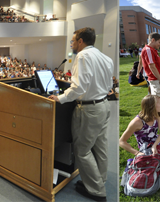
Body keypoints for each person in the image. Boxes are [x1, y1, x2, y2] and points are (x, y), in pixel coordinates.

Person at [48, 27, 113, 200]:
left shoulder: (82, 56)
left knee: (82, 151)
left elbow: (79, 87)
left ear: (81, 41)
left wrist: (60, 98)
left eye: (73, 40)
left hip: (89, 109)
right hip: (103, 105)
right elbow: (106, 86)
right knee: (100, 148)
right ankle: (99, 180)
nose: (72, 44)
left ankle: (96, 190)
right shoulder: (106, 58)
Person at [137, 33, 160, 99]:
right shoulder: (148, 50)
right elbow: (152, 66)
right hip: (157, 79)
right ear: (153, 40)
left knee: (157, 99)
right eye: (159, 42)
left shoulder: (151, 50)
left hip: (158, 79)